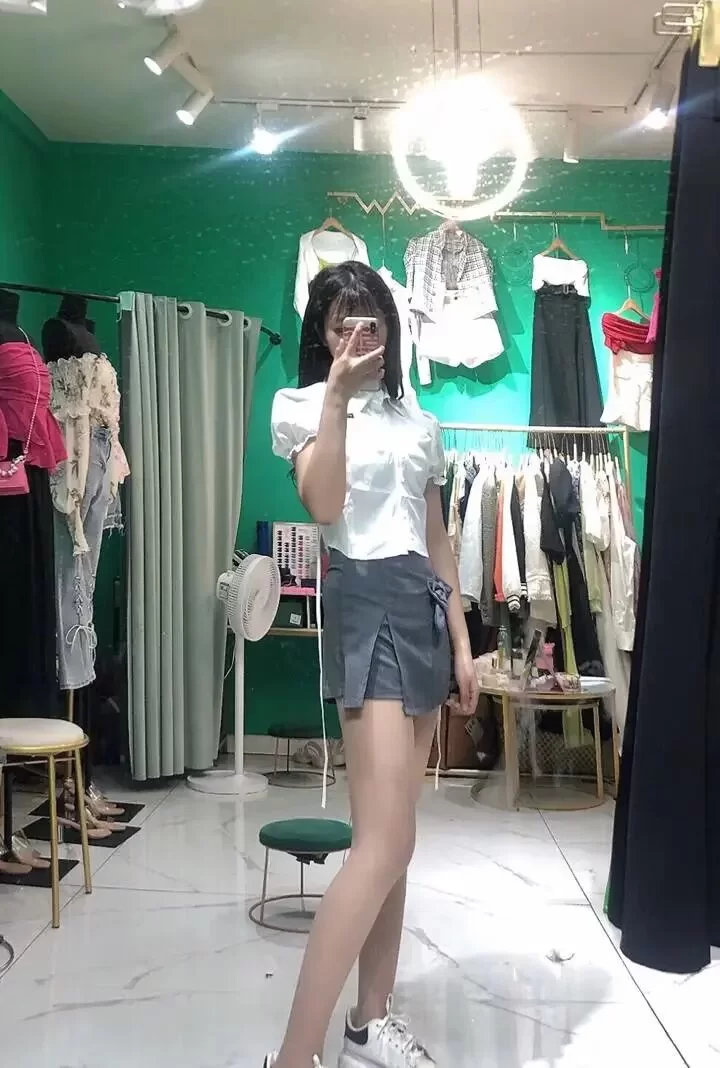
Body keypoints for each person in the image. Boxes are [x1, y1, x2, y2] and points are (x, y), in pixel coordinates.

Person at [267, 262, 478, 1068]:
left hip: (421, 608)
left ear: (391, 328)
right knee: (382, 846)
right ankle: (295, 1054)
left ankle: (370, 1020)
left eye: (372, 321)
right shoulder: (299, 407)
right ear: (322, 336)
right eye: (342, 324)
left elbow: (437, 538)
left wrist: (462, 641)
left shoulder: (420, 421)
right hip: (361, 600)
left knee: (396, 837)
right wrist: (335, 398)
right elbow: (322, 506)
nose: (360, 336)